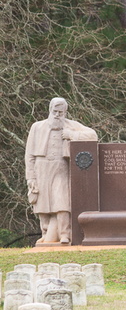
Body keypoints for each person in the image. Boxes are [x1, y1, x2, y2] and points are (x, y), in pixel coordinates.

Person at [25, 97, 97, 244]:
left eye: (61, 112)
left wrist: (72, 135)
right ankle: (45, 233)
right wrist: (31, 178)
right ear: (50, 110)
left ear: (65, 112)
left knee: (62, 201)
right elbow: (29, 155)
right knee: (42, 203)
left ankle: (65, 234)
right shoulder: (37, 127)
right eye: (55, 111)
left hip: (61, 167)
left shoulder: (71, 125)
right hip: (41, 167)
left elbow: (93, 135)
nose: (57, 115)